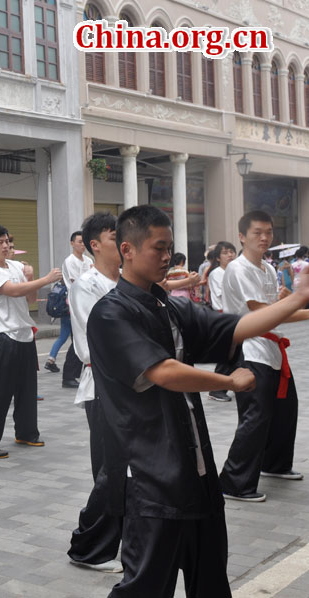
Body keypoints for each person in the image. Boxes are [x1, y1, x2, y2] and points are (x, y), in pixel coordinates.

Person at [87, 205, 309, 598]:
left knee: (210, 581)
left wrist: (296, 301)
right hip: (152, 478)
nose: (167, 257)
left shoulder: (171, 306)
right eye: (158, 247)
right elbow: (164, 372)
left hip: (197, 473)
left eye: (170, 247)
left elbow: (236, 326)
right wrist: (229, 380)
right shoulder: (111, 313)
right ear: (128, 249)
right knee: (145, 587)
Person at [219, 211, 307, 502]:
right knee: (255, 417)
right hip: (250, 349)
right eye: (257, 232)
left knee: (285, 410)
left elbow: (274, 309)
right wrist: (294, 304)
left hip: (271, 348)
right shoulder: (238, 268)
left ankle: (275, 464)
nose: (264, 238)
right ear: (242, 236)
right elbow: (260, 312)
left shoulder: (268, 269)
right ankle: (234, 482)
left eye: (268, 232)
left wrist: (284, 301)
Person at [0, 226, 62, 458]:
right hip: (3, 335)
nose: (5, 246)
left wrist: (31, 278)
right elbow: (11, 291)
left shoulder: (17, 266)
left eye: (7, 242)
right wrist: (44, 280)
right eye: (0, 242)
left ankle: (26, 432)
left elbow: (30, 297)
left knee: (27, 389)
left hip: (24, 333)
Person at [66, 213, 123, 574]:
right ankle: (89, 547)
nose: (123, 242)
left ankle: (119, 537)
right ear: (95, 245)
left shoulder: (130, 281)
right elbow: (94, 345)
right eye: (115, 236)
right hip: (104, 385)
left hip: (132, 385)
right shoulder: (87, 285)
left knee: (125, 469)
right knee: (110, 470)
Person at [45, 231, 92, 388]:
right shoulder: (70, 261)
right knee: (78, 340)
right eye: (79, 242)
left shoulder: (88, 260)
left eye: (84, 242)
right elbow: (78, 282)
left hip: (89, 304)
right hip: (76, 305)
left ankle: (78, 373)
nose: (82, 245)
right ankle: (69, 376)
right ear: (72, 243)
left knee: (85, 340)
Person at [206, 241, 237, 402]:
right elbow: (223, 295)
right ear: (218, 257)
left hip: (234, 316)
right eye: (225, 252)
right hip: (224, 316)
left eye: (232, 251)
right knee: (228, 355)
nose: (230, 255)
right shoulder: (216, 273)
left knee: (234, 355)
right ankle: (217, 389)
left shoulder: (234, 271)